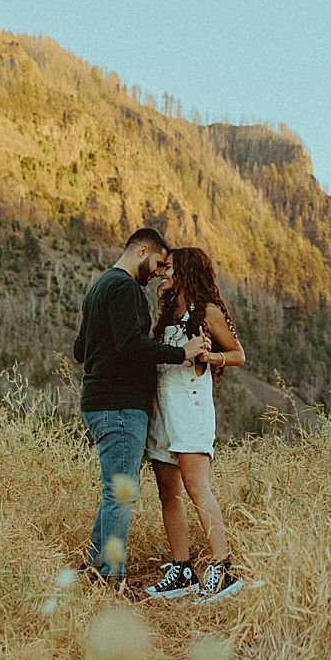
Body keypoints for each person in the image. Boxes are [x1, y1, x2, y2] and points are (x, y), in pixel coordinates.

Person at [73, 228, 210, 583]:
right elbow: (130, 345)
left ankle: (96, 565)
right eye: (159, 262)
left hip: (100, 400)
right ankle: (110, 576)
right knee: (122, 490)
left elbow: (79, 349)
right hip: (119, 403)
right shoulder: (125, 288)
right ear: (143, 250)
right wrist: (181, 353)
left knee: (116, 488)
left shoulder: (100, 287)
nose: (159, 272)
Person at [143, 246, 246, 605]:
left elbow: (238, 353)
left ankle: (222, 567)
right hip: (163, 409)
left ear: (186, 270)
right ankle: (182, 569)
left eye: (169, 267)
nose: (162, 273)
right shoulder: (169, 311)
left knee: (195, 486)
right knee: (166, 491)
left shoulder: (208, 311)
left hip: (190, 405)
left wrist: (209, 355)